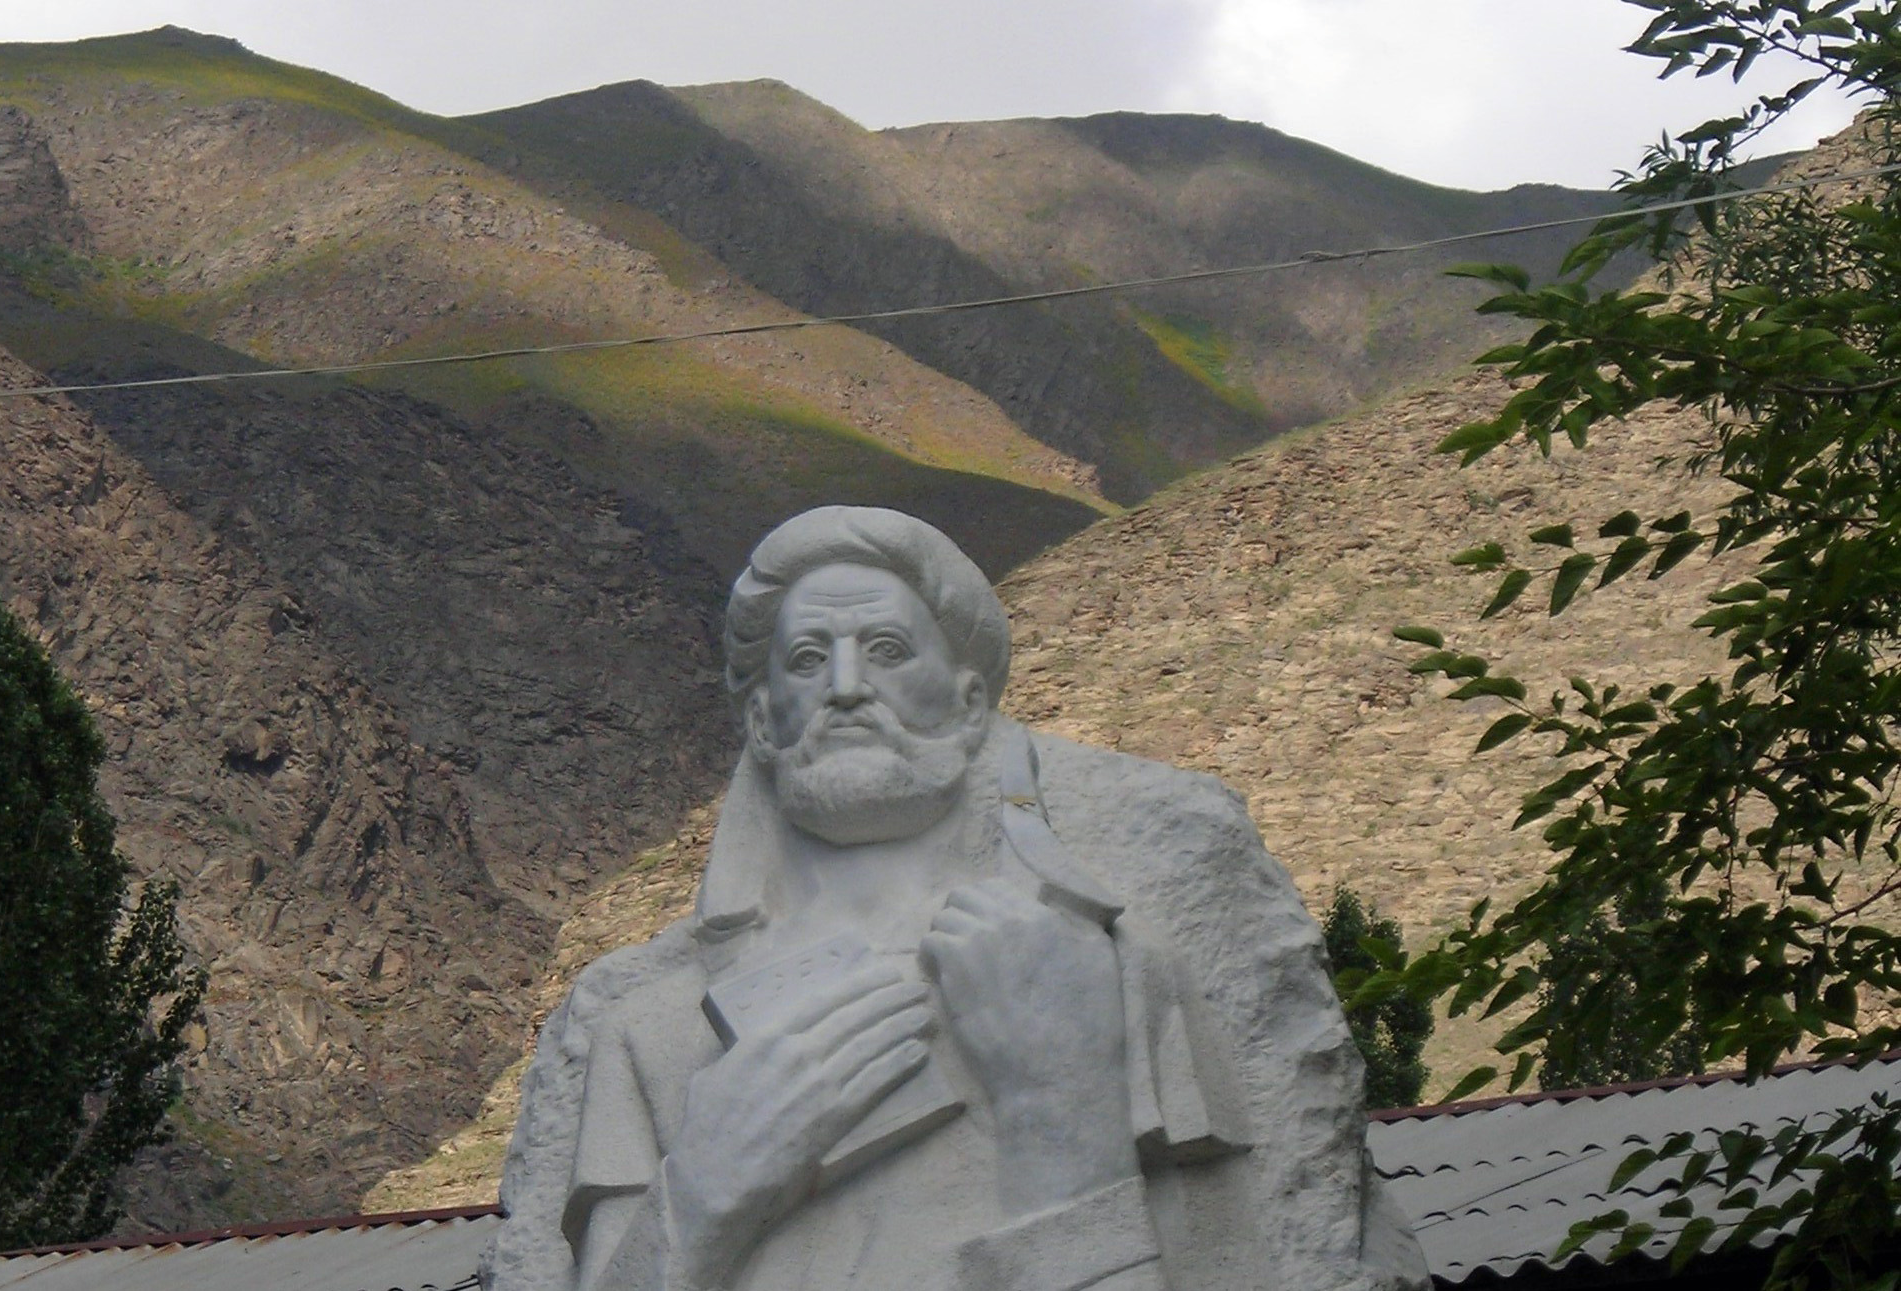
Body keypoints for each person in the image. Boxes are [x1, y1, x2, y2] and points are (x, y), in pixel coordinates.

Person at [486, 507, 1427, 1291]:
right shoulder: (648, 1028)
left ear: (971, 701)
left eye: (887, 648)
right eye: (808, 658)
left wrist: (1060, 1116)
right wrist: (703, 1192)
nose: (847, 688)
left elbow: (1254, 1256)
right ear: (764, 719)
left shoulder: (1100, 970)